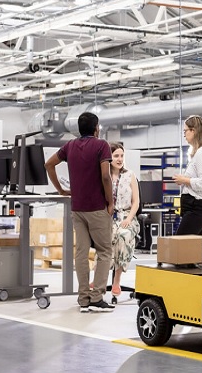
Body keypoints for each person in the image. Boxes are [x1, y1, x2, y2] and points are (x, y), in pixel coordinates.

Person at [45, 112, 115, 313]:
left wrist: (60, 190)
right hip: (97, 207)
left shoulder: (69, 146)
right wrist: (110, 202)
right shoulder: (101, 145)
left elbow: (48, 164)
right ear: (96, 128)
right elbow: (106, 176)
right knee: (104, 251)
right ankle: (97, 297)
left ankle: (83, 298)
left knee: (81, 253)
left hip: (77, 208)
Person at [91, 142, 140, 302]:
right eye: (116, 156)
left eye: (121, 155)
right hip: (108, 217)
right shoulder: (103, 176)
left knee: (122, 236)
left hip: (127, 216)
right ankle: (98, 278)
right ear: (109, 158)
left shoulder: (130, 175)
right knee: (104, 238)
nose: (119, 159)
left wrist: (129, 219)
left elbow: (136, 202)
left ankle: (116, 282)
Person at [173, 114, 202, 235]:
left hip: (197, 207)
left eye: (185, 131)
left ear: (194, 131)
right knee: (191, 247)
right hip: (193, 207)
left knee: (180, 245)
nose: (184, 134)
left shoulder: (201, 153)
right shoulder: (198, 153)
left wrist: (185, 180)